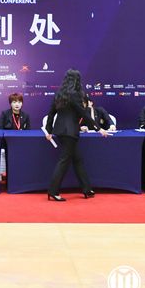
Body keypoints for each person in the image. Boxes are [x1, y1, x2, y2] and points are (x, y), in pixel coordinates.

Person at [45, 69, 110, 202]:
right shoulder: (75, 95)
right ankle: (53, 191)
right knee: (64, 161)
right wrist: (98, 128)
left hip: (60, 131)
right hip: (70, 132)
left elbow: (51, 113)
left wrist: (49, 130)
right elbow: (83, 114)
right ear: (77, 81)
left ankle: (87, 189)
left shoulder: (59, 94)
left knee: (77, 160)